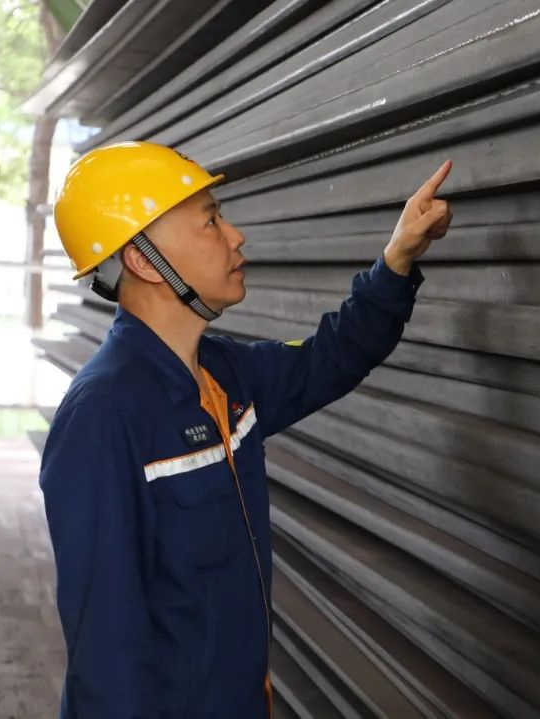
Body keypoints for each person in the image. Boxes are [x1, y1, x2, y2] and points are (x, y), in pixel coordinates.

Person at [39, 141, 452, 718]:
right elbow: (106, 656)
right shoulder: (103, 416)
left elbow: (331, 357)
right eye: (210, 221)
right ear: (143, 261)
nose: (236, 236)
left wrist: (398, 258)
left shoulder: (225, 376)